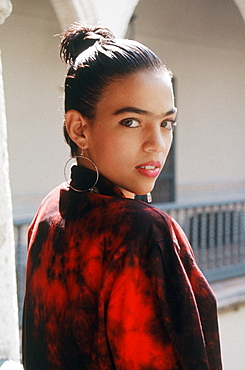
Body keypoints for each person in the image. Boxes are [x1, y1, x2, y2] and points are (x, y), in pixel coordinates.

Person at [22, 23, 222, 370]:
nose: (156, 144)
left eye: (166, 123)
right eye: (131, 121)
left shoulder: (51, 209)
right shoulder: (143, 231)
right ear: (79, 128)